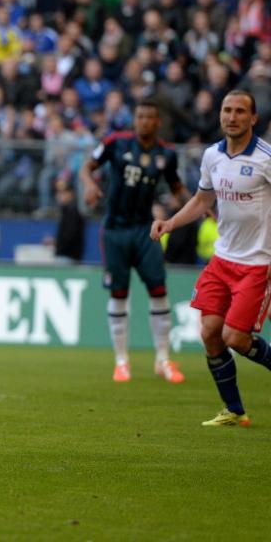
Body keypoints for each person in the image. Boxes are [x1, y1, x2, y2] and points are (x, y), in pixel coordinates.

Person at [151, 90, 271, 427]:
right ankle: (234, 410)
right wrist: (170, 223)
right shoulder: (212, 156)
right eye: (227, 110)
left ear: (253, 118)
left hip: (258, 264)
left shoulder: (265, 157)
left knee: (236, 338)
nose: (232, 117)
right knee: (210, 332)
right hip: (222, 260)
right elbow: (203, 202)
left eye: (240, 111)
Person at [79, 100, 189, 383]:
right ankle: (121, 361)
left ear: (157, 122)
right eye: (139, 116)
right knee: (119, 294)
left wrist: (199, 205)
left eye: (150, 117)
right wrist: (90, 184)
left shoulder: (166, 153)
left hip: (146, 231)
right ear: (135, 118)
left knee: (159, 291)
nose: (144, 121)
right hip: (114, 230)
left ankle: (163, 359)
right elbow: (86, 167)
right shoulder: (116, 142)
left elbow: (176, 186)